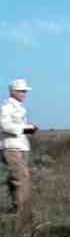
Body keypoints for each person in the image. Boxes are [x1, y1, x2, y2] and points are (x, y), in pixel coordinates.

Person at [0, 79, 38, 217]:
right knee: (20, 177)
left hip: (21, 146)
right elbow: (5, 126)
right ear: (13, 91)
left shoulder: (20, 108)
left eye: (25, 91)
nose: (24, 94)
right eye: (22, 91)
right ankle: (20, 210)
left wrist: (29, 128)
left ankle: (20, 207)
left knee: (20, 177)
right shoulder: (6, 107)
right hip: (11, 147)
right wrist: (25, 128)